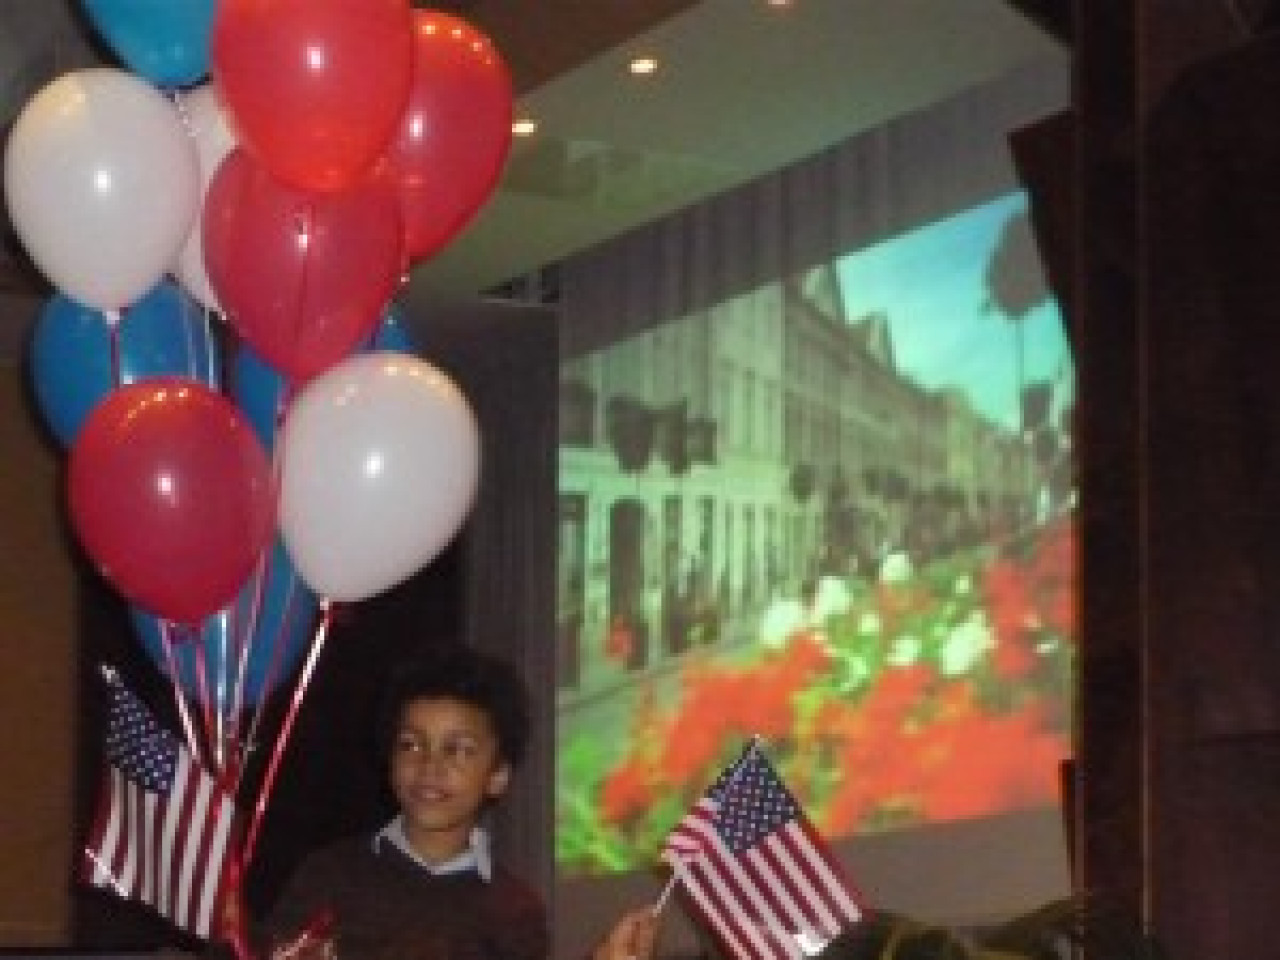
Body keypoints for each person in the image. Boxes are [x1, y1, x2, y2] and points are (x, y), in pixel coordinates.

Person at [258, 645, 548, 960]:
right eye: (411, 745)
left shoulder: (516, 909)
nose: (429, 766)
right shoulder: (332, 875)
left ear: (498, 775)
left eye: (458, 750)